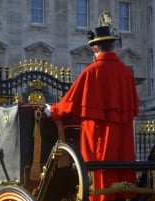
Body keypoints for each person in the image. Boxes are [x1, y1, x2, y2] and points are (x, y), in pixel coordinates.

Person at [45, 25, 139, 201]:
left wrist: (52, 111)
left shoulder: (91, 72)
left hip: (97, 137)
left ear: (95, 48)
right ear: (113, 46)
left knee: (98, 179)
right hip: (123, 141)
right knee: (119, 174)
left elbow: (69, 103)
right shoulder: (127, 73)